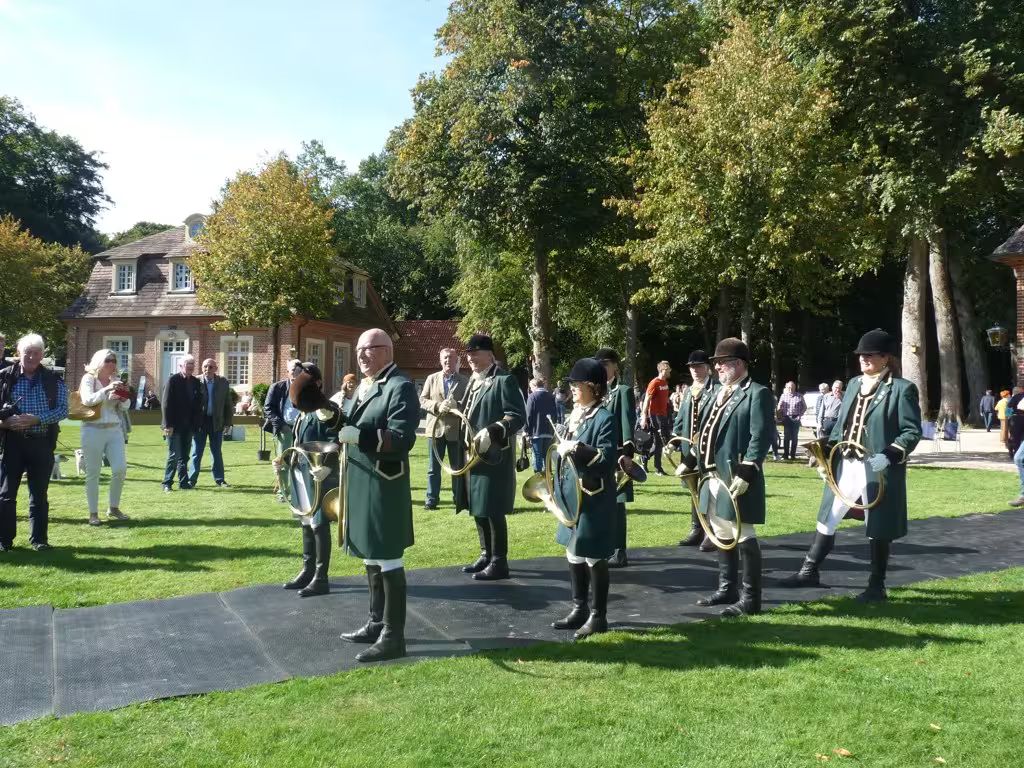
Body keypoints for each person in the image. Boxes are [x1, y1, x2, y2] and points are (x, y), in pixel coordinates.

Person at [779, 329, 922, 601]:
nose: (864, 359)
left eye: (870, 355)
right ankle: (809, 571)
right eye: (861, 355)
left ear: (886, 358)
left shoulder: (902, 389)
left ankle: (876, 586)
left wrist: (891, 454)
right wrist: (826, 452)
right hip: (846, 463)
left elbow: (911, 431)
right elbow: (843, 423)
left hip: (877, 466)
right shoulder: (855, 383)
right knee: (829, 515)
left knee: (877, 524)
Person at [338, 328, 420, 662]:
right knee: (370, 553)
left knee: (388, 556)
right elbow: (352, 422)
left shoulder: (399, 387)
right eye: (359, 349)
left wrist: (361, 437)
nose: (361, 355)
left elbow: (402, 439)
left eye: (367, 349)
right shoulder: (365, 385)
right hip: (361, 478)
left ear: (386, 350)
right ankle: (376, 622)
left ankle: (393, 636)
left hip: (384, 482)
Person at [693, 338, 774, 616]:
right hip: (711, 475)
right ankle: (727, 588)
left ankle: (751, 599)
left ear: (738, 364)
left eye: (722, 364)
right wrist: (692, 460)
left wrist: (749, 468)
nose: (717, 369)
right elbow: (706, 432)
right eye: (716, 364)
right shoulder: (717, 393)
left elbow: (761, 435)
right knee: (719, 531)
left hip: (735, 475)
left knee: (743, 533)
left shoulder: (756, 393)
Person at [549, 358, 617, 639]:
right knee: (572, 552)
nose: (573, 388)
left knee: (593, 556)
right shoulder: (575, 414)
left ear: (593, 387)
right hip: (570, 496)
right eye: (573, 384)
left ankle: (598, 616)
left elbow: (605, 459)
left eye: (578, 384)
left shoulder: (605, 418)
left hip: (593, 497)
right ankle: (579, 608)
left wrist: (577, 448)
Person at [455, 333, 527, 581]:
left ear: (490, 355)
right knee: (478, 507)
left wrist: (494, 430)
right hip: (471, 456)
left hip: (493, 456)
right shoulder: (473, 381)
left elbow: (517, 416)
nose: (472, 358)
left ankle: (499, 560)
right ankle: (486, 553)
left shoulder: (504, 381)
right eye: (469, 354)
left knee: (493, 508)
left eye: (476, 353)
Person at [0, 333, 69, 551]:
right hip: (12, 442)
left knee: (39, 494)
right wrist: (5, 422)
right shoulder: (4, 377)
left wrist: (38, 419)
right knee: (6, 494)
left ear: (42, 355)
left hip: (41, 442)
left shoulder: (53, 379)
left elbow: (63, 409)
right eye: (27, 352)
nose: (31, 356)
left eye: (36, 353)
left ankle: (39, 540)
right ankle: (3, 541)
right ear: (18, 353)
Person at [282, 363, 344, 598]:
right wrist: (286, 460)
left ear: (316, 383)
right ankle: (307, 571)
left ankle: (321, 577)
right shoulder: (305, 411)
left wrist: (327, 468)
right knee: (306, 523)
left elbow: (337, 439)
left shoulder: (325, 409)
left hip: (319, 476)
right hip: (301, 473)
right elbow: (299, 441)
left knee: (319, 525)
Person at [594, 347, 639, 568]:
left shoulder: (622, 390)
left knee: (617, 504)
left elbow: (627, 421)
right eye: (599, 364)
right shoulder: (597, 392)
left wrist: (628, 452)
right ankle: (607, 547)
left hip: (618, 454)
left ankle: (619, 551)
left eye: (605, 364)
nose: (602, 368)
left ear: (614, 366)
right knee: (603, 503)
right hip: (599, 456)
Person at [79, 349, 132, 525]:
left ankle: (113, 507)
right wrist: (107, 390)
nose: (112, 364)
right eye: (108, 360)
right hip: (92, 429)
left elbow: (126, 406)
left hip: (114, 429)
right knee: (93, 473)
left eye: (114, 360)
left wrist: (122, 397)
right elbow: (87, 400)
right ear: (99, 361)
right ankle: (93, 513)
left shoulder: (116, 380)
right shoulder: (89, 378)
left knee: (120, 469)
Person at [672, 349, 717, 550]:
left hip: (707, 448)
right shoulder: (689, 391)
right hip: (687, 448)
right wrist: (674, 440)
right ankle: (696, 528)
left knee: (708, 489)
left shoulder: (716, 389)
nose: (695, 371)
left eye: (699, 366)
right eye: (692, 367)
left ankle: (711, 531)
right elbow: (681, 417)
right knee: (693, 490)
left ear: (708, 368)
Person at [419, 348, 469, 510]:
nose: (448, 361)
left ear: (457, 361)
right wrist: (437, 406)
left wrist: (457, 405)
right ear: (441, 361)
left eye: (451, 358)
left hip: (456, 431)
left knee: (457, 468)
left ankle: (458, 499)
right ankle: (431, 500)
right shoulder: (431, 379)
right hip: (435, 430)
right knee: (433, 469)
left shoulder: (464, 381)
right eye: (445, 358)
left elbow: (469, 404)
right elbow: (422, 400)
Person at [188, 358, 234, 488]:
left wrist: (228, 422)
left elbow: (228, 404)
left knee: (216, 452)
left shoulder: (223, 382)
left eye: (211, 367)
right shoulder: (195, 381)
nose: (207, 369)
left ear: (216, 369)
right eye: (205, 366)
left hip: (216, 422)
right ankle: (192, 480)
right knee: (196, 452)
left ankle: (220, 480)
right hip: (200, 423)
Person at [161, 355, 204, 492]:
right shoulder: (173, 380)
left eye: (192, 363)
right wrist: (167, 425)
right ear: (180, 366)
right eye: (187, 364)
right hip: (174, 425)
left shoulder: (196, 382)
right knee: (174, 455)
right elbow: (166, 404)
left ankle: (183, 482)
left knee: (184, 456)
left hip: (189, 425)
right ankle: (167, 482)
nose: (190, 366)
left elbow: (198, 404)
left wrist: (197, 423)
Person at [265, 360, 304, 502]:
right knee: (283, 463)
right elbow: (268, 408)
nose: (295, 372)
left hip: (301, 429)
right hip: (285, 429)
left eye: (298, 370)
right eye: (292, 370)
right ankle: (282, 493)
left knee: (300, 462)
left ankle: (297, 492)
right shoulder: (277, 387)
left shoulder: (305, 387)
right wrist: (281, 425)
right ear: (287, 371)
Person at [640, 360, 672, 475]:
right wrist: (644, 416)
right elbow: (646, 400)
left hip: (663, 416)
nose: (670, 371)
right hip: (655, 416)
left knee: (661, 442)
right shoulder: (654, 383)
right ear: (663, 370)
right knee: (658, 441)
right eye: (668, 369)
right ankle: (658, 468)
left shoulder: (665, 383)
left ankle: (645, 458)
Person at [524, 377, 557, 473]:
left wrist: (526, 430)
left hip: (536, 431)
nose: (531, 389)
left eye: (531, 387)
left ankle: (538, 478)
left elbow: (528, 415)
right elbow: (555, 414)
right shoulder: (551, 396)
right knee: (547, 456)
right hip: (548, 431)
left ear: (534, 386)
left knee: (537, 455)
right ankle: (548, 477)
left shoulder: (532, 397)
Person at [776, 381, 806, 460]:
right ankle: (785, 454)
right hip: (786, 418)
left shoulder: (799, 396)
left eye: (792, 387)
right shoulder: (783, 396)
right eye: (789, 387)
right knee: (786, 437)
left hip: (796, 418)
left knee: (794, 437)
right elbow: (779, 406)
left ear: (794, 387)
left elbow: (804, 407)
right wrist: (780, 416)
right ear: (786, 388)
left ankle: (793, 455)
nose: (790, 389)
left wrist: (800, 415)